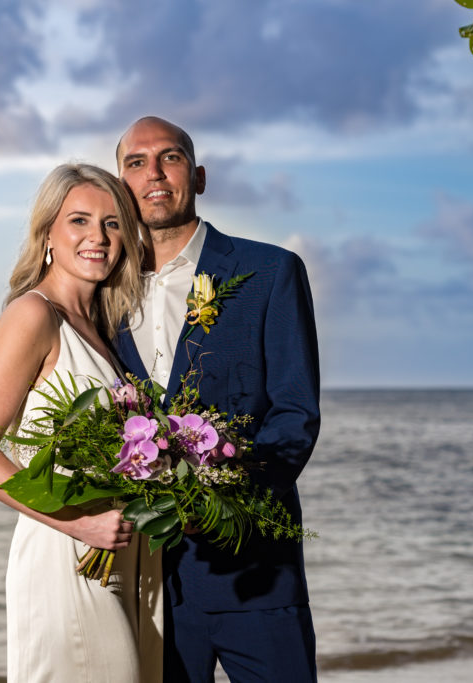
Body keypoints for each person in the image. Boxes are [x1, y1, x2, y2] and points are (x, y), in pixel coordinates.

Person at [113, 117, 321, 683]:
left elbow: (294, 415)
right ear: (120, 186)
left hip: (254, 574)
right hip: (146, 584)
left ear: (198, 175)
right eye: (136, 163)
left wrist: (224, 507)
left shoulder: (269, 272)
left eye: (170, 158)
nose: (154, 174)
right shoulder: (103, 290)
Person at [0, 163, 163, 683]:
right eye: (80, 221)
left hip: (120, 556)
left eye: (113, 223)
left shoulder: (98, 331)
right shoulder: (33, 315)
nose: (98, 236)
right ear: (48, 232)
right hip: (66, 553)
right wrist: (78, 522)